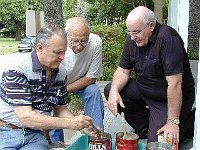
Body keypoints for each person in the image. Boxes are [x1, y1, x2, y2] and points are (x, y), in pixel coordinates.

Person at [104, 6, 195, 145]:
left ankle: (186, 125)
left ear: (151, 25)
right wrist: (114, 92)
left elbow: (175, 84)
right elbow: (123, 71)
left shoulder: (168, 39)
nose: (132, 37)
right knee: (111, 89)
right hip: (145, 91)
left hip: (168, 98)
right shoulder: (132, 39)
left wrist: (172, 122)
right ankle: (146, 126)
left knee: (159, 144)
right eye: (129, 32)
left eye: (136, 32)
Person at [0, 25, 93, 150]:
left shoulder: (61, 72)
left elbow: (60, 110)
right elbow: (25, 117)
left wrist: (82, 125)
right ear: (40, 48)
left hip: (34, 136)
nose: (62, 57)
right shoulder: (17, 70)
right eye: (57, 52)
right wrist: (70, 123)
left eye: (64, 52)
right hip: (6, 132)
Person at [49, 17, 104, 143]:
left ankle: (96, 136)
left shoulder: (95, 42)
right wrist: (58, 92)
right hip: (56, 84)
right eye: (75, 41)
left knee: (93, 91)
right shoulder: (58, 43)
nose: (79, 46)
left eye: (84, 42)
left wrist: (65, 90)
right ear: (67, 36)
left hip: (81, 82)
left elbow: (91, 77)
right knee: (53, 101)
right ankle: (56, 143)